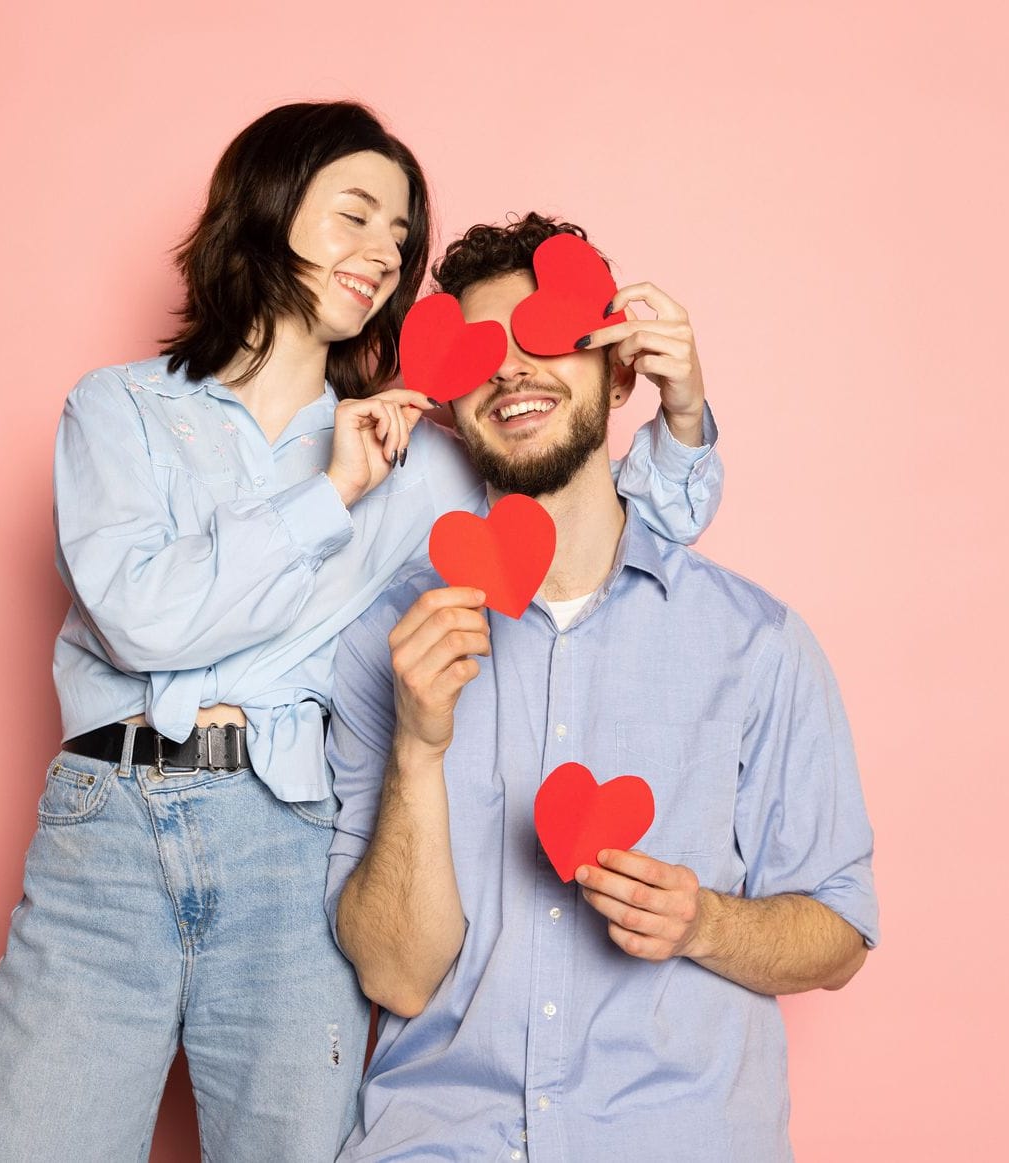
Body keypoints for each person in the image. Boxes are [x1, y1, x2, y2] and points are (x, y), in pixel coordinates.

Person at [0, 107, 721, 1161]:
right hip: (109, 827)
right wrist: (326, 497)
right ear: (264, 208)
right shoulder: (119, 411)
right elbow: (138, 616)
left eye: (399, 237)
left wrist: (680, 413)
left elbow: (597, 534)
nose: (381, 254)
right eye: (354, 215)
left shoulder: (412, 451)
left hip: (288, 835)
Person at [325, 214, 877, 1160]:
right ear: (449, 404)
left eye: (548, 340)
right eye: (481, 354)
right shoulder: (385, 641)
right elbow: (398, 978)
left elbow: (839, 933)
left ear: (621, 371)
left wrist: (703, 921)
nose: (513, 371)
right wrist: (419, 746)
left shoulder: (757, 644)